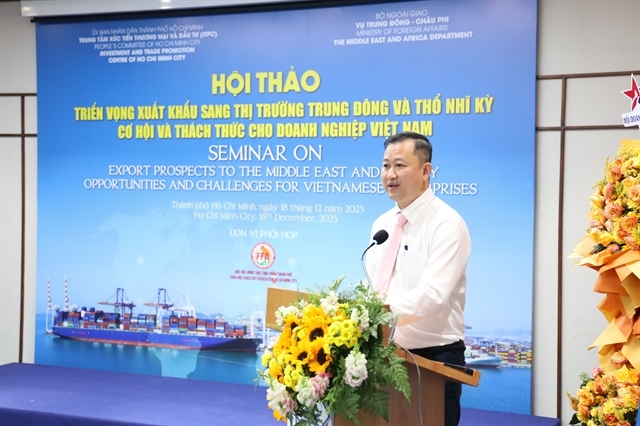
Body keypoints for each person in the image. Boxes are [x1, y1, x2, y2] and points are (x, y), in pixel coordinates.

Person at [365, 131, 471, 426]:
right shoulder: (382, 224)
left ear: (426, 171)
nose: (390, 174)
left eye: (400, 165)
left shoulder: (446, 224)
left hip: (434, 358)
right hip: (385, 354)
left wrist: (378, 315)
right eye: (386, 165)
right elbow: (377, 287)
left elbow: (433, 294)